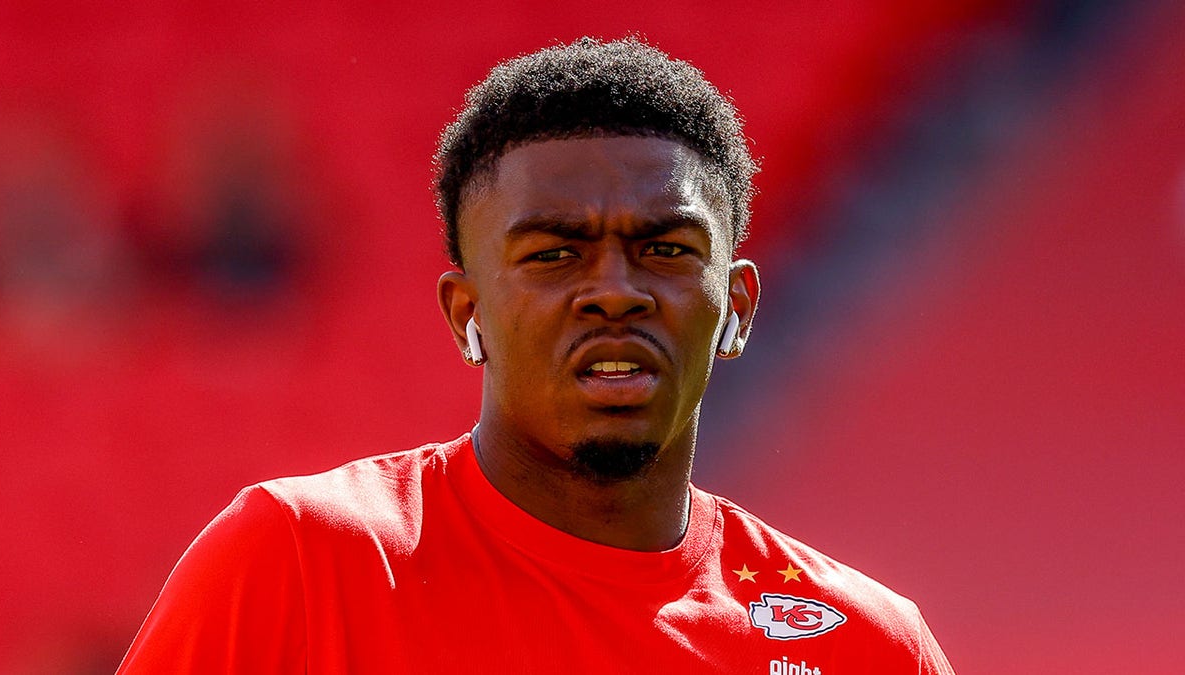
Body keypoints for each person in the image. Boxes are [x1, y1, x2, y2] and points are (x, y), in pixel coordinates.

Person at [118, 37, 955, 674]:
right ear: (466, 311)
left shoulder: (867, 645)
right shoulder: (299, 562)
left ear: (737, 307)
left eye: (665, 249)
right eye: (555, 254)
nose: (614, 291)